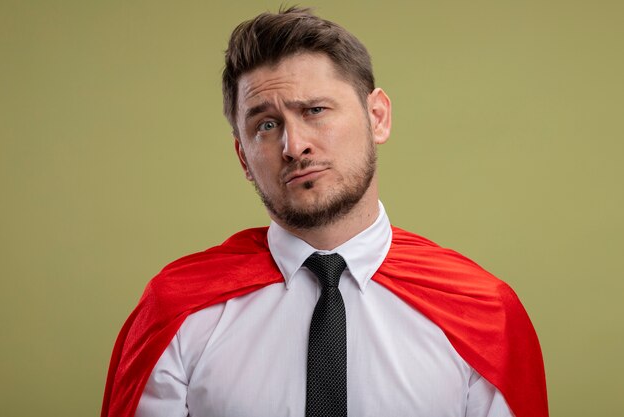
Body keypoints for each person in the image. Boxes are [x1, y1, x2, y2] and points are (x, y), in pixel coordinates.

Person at [102, 7, 548, 417]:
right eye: (266, 125)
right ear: (242, 157)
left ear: (377, 117)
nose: (294, 147)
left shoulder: (481, 316)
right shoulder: (179, 315)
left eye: (315, 110)